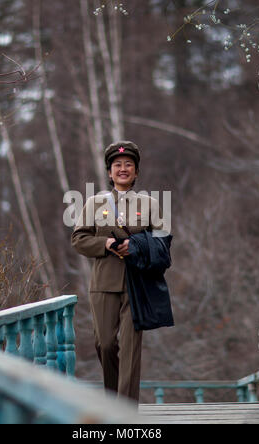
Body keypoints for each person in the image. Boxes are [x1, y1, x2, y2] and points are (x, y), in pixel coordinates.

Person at [71, 141, 167, 404]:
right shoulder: (94, 203)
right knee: (105, 344)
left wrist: (135, 246)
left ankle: (124, 413)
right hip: (103, 284)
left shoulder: (150, 204)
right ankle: (112, 401)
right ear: (110, 172)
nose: (123, 169)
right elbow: (79, 239)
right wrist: (105, 243)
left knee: (131, 350)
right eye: (117, 165)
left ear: (136, 173)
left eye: (128, 165)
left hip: (138, 285)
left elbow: (163, 241)